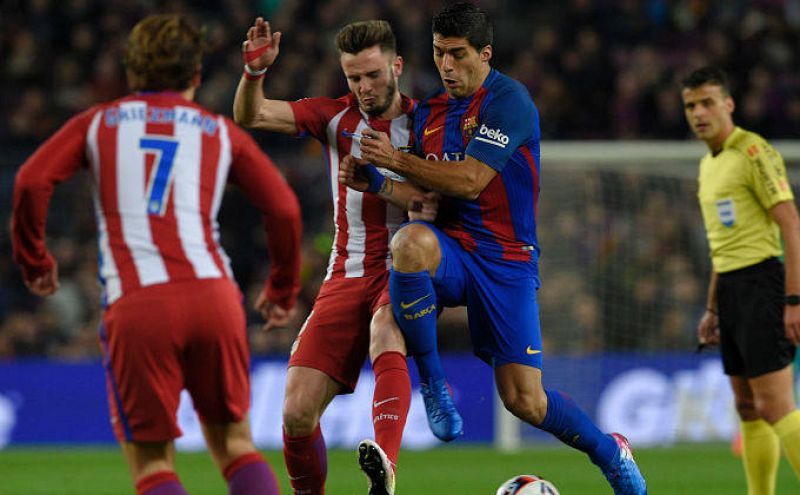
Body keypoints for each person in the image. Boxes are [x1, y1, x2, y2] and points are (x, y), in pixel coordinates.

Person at [346, 3, 647, 494]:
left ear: (484, 54)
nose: (446, 65)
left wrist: (394, 160)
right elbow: (424, 196)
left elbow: (470, 180)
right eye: (439, 53)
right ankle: (434, 385)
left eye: (458, 54)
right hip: (452, 251)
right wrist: (377, 182)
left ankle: (611, 453)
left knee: (525, 400)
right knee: (409, 244)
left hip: (507, 262)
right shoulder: (429, 114)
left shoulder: (509, 101)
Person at [10, 14, 302, 495]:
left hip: (140, 305)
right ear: (196, 74)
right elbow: (284, 208)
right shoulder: (217, 130)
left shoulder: (98, 123)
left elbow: (30, 181)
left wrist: (35, 260)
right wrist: (283, 288)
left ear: (131, 71)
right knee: (235, 446)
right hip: (214, 299)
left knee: (151, 465)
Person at [234, 18, 435, 495]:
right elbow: (251, 115)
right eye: (354, 77)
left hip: (405, 267)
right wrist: (254, 73)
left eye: (373, 75)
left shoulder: (430, 123)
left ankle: (386, 466)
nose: (364, 87)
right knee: (296, 412)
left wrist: (381, 180)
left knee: (386, 327)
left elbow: (433, 203)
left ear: (397, 66)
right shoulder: (334, 118)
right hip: (345, 274)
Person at [682, 66, 800, 495]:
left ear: (728, 104)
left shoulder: (753, 151)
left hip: (762, 282)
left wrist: (794, 300)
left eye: (707, 102)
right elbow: (723, 246)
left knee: (775, 404)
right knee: (747, 406)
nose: (699, 113)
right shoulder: (708, 165)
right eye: (691, 106)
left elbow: (791, 223)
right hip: (731, 289)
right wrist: (713, 307)